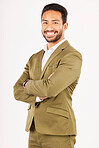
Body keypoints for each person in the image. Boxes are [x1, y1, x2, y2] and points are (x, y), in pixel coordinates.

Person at [13, 3, 82, 148]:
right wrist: (37, 95)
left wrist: (27, 84)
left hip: (58, 131)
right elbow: (17, 91)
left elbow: (49, 89)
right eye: (45, 22)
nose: (49, 27)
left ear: (65, 25)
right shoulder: (35, 58)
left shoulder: (72, 56)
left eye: (55, 22)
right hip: (34, 130)